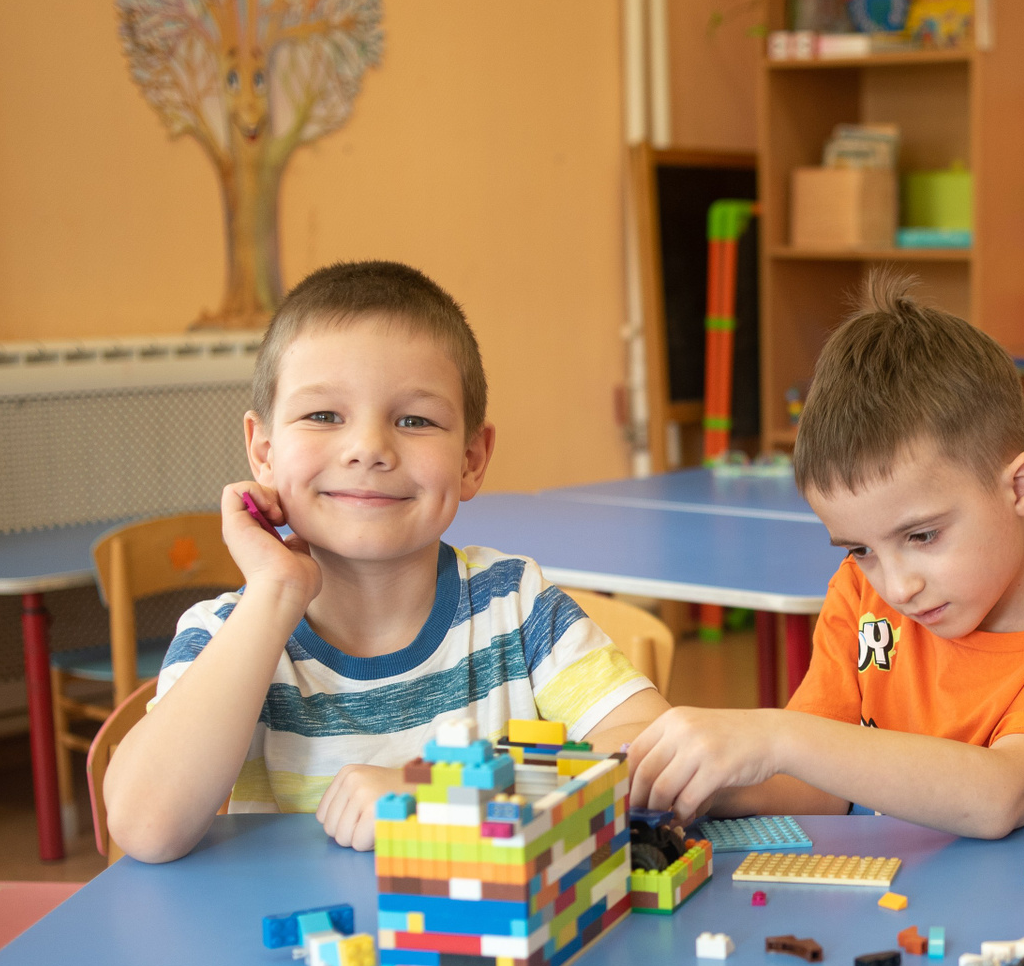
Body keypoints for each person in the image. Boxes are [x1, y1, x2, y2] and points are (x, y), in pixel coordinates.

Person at [105, 262, 669, 862]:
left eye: (414, 420)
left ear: (472, 459)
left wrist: (441, 795)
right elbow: (146, 825)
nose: (369, 448)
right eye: (324, 415)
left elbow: (654, 754)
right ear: (264, 452)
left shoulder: (517, 605)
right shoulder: (230, 635)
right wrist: (275, 593)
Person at [627, 274, 1024, 837]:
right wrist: (688, 784)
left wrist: (775, 736)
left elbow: (1002, 794)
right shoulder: (860, 592)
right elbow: (818, 785)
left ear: (1020, 487)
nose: (896, 587)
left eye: (922, 536)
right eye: (861, 549)